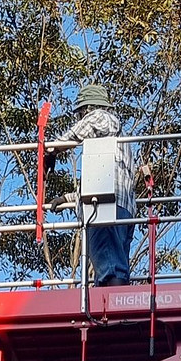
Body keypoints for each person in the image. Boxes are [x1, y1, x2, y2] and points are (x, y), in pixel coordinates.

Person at [46, 84, 139, 286]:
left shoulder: (101, 117)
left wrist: (52, 149)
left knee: (109, 266)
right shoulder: (114, 148)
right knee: (113, 262)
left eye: (81, 113)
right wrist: (68, 198)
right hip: (121, 207)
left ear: (87, 109)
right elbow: (98, 181)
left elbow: (79, 131)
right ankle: (115, 306)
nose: (80, 118)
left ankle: (114, 310)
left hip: (105, 207)